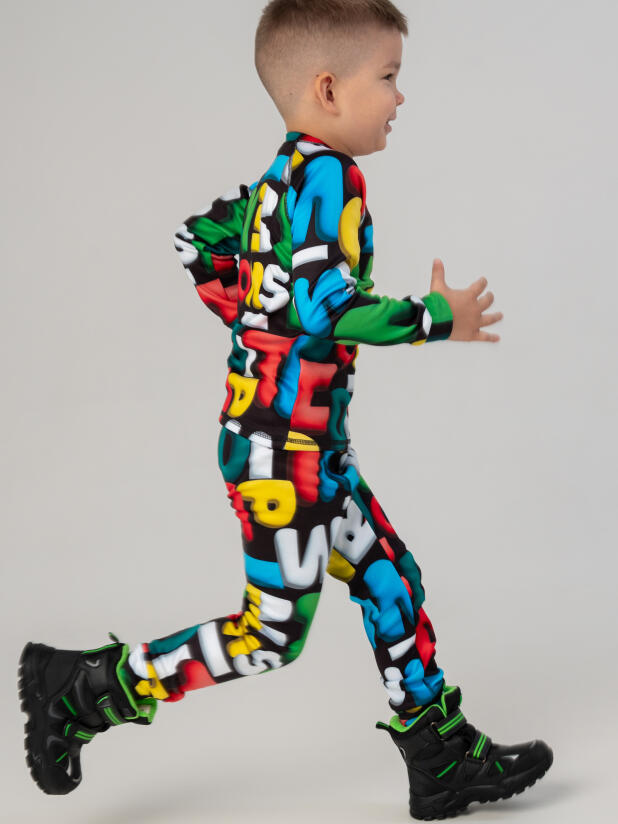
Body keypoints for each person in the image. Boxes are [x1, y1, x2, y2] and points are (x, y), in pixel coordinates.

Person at [17, 1, 553, 819]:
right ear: (329, 90)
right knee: (269, 636)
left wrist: (256, 327)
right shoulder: (328, 176)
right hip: (282, 452)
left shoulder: (282, 178)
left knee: (389, 578)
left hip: (299, 443)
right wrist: (435, 319)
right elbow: (326, 306)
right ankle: (85, 688)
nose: (400, 96)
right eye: (389, 77)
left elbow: (198, 241)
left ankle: (438, 755)